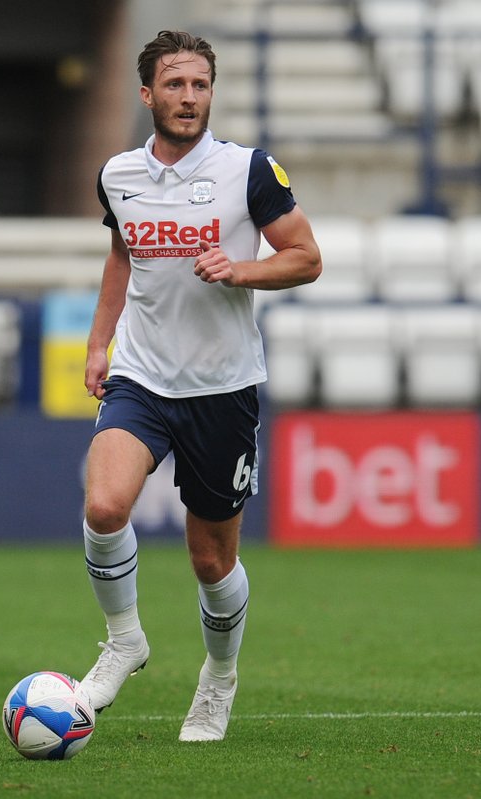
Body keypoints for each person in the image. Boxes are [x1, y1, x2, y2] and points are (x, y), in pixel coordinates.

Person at [77, 29, 321, 743]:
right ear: (146, 93)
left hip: (223, 389)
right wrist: (101, 341)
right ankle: (124, 640)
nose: (189, 98)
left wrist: (241, 269)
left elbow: (305, 257)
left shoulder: (249, 171)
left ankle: (218, 679)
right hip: (142, 377)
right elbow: (123, 253)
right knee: (103, 503)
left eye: (201, 85)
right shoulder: (118, 174)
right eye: (176, 85)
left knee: (211, 559)